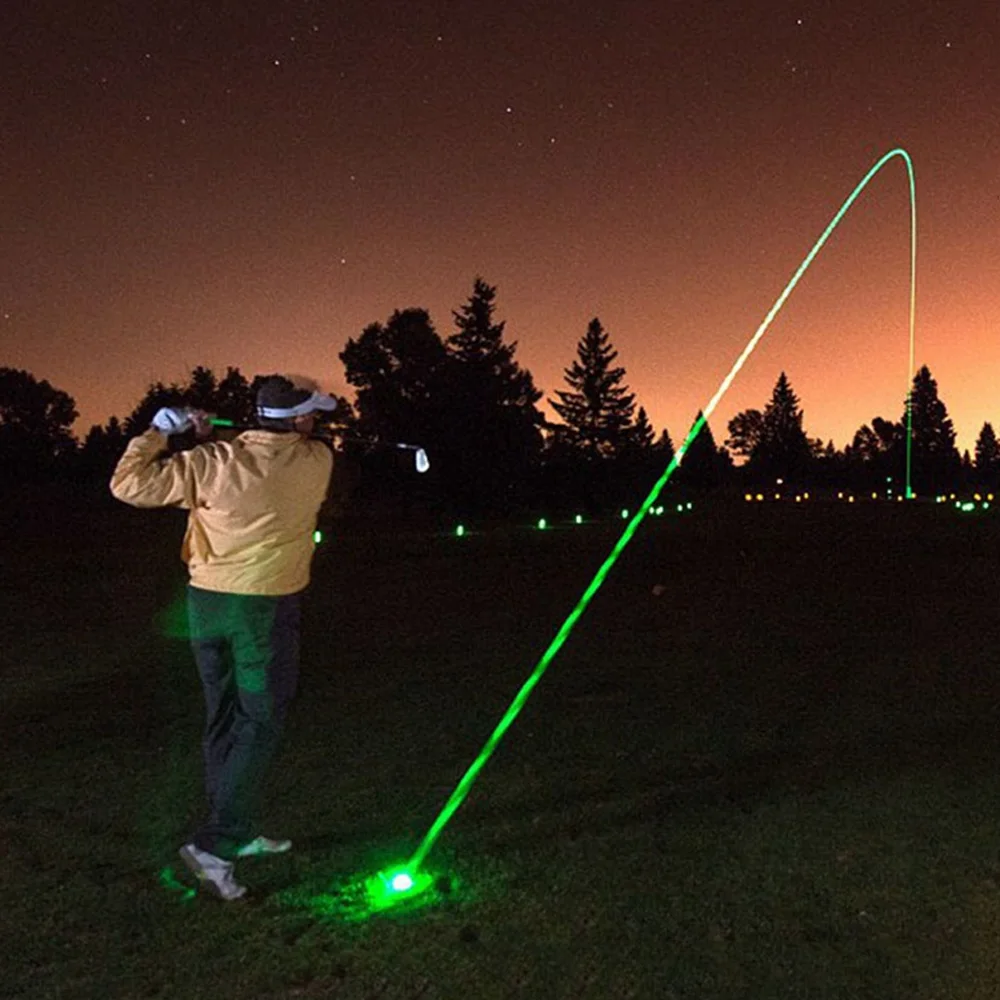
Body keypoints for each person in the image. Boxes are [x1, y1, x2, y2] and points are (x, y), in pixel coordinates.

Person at [110, 374, 336, 900]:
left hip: (206, 604)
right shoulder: (316, 461)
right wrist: (209, 439)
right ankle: (217, 843)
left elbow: (128, 484)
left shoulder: (213, 462)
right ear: (298, 421)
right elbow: (265, 457)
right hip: (263, 609)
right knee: (260, 719)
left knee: (224, 716)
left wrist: (163, 431)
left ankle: (234, 824)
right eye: (312, 414)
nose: (317, 422)